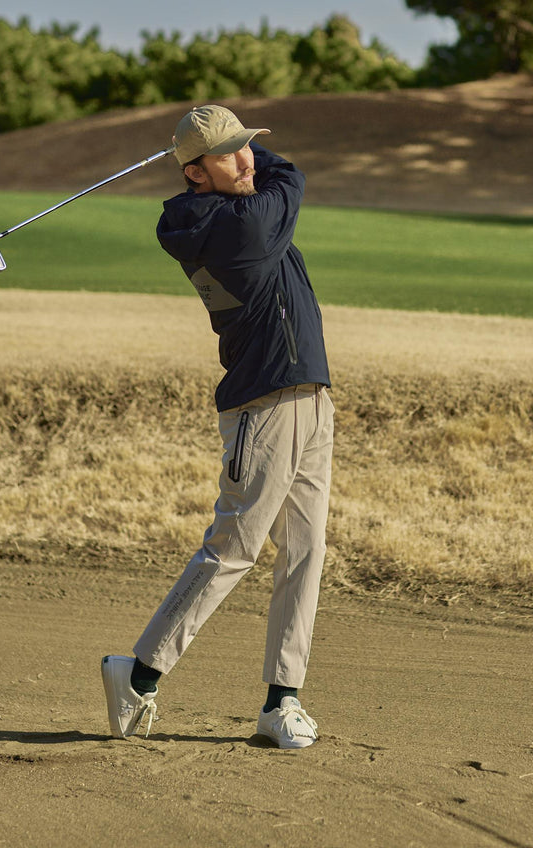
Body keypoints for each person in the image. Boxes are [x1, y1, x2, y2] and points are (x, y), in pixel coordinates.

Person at [102, 104, 334, 750]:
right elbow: (293, 178)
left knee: (305, 551)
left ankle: (281, 701)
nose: (249, 158)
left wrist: (215, 148)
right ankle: (140, 673)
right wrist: (219, 156)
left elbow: (267, 168)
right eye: (230, 152)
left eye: (246, 146)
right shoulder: (238, 226)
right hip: (264, 406)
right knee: (232, 549)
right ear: (196, 174)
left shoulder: (221, 207)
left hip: (308, 397)